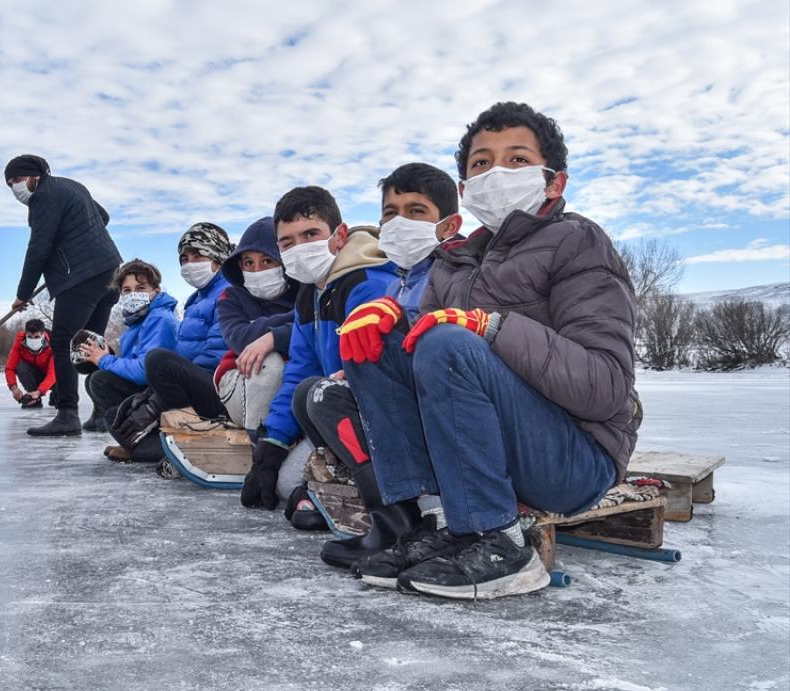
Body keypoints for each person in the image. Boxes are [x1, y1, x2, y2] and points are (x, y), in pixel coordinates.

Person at [341, 102, 639, 600]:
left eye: (517, 160)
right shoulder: (454, 263)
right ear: (464, 189)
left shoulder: (577, 242)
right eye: (481, 163)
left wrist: (493, 327)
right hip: (493, 454)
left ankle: (500, 543)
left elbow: (605, 387)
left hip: (575, 458)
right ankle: (437, 521)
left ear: (554, 182)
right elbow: (423, 362)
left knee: (449, 340)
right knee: (370, 340)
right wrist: (392, 322)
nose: (497, 172)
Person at [308, 163, 463, 569]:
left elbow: (448, 340)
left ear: (447, 225)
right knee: (323, 391)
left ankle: (422, 514)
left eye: (416, 211)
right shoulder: (401, 279)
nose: (400, 222)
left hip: (450, 409)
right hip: (416, 401)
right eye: (391, 213)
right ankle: (394, 517)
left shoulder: (457, 272)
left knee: (332, 390)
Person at [240, 187, 398, 512]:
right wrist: (273, 444)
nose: (300, 248)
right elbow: (300, 368)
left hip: (382, 421)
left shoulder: (367, 284)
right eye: (288, 242)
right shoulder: (309, 296)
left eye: (310, 234)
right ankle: (333, 487)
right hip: (333, 415)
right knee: (283, 482)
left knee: (310, 393)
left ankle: (381, 495)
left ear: (339, 235)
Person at [5, 154, 123, 436]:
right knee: (89, 344)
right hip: (109, 271)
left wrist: (23, 293)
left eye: (19, 180)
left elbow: (38, 249)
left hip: (80, 278)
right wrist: (77, 235)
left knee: (62, 342)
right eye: (10, 184)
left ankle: (67, 414)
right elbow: (102, 217)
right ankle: (102, 412)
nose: (15, 188)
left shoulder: (43, 198)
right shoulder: (73, 186)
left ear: (36, 175)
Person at [110, 223, 234, 458]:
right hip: (198, 378)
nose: (189, 264)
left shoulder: (227, 293)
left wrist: (171, 384)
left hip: (219, 384)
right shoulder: (196, 299)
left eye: (198, 256)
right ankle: (153, 441)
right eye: (184, 259)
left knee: (158, 361)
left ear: (217, 257)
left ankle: (182, 440)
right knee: (115, 408)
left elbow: (218, 353)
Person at [212, 216, 299, 436]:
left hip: (294, 385)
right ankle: (259, 451)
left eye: (267, 261)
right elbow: (241, 339)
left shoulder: (305, 291)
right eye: (249, 262)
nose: (258, 270)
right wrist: (295, 320)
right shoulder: (231, 297)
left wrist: (270, 335)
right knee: (267, 362)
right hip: (241, 383)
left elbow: (316, 328)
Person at [78, 259, 179, 430]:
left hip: (163, 394)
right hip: (150, 388)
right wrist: (107, 356)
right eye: (127, 290)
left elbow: (143, 372)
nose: (133, 294)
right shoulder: (137, 322)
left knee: (100, 381)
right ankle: (110, 423)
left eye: (140, 288)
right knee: (93, 379)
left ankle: (143, 432)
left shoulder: (159, 318)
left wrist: (104, 360)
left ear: (156, 291)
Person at [5, 319, 56, 408]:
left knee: (63, 371)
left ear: (43, 335)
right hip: (34, 375)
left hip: (54, 378)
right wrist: (13, 388)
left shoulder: (54, 342)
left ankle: (57, 394)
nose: (33, 340)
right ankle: (34, 399)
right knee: (21, 367)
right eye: (30, 337)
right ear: (26, 334)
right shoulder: (20, 342)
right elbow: (10, 368)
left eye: (36, 337)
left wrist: (40, 391)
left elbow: (53, 373)